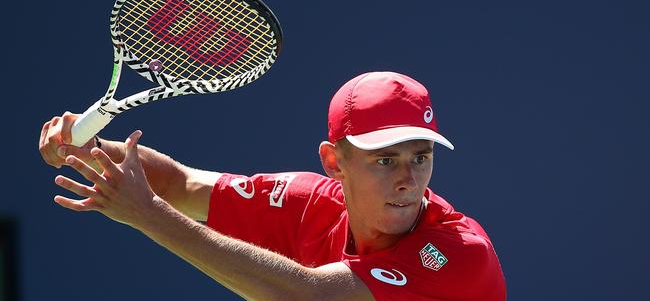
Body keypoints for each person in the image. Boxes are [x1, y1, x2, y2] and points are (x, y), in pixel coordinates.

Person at [39, 71, 506, 300]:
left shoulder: (461, 255)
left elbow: (307, 298)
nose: (408, 180)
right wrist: (92, 147)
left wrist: (149, 216)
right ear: (333, 162)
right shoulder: (308, 206)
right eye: (385, 160)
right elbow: (181, 183)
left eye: (420, 158)